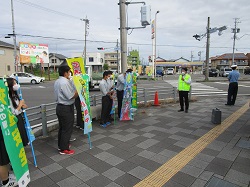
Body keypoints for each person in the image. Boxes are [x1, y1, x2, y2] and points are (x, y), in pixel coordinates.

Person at [54, 65, 78, 155]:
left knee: (62, 127)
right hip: (65, 107)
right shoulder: (64, 82)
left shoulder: (58, 81)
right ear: (65, 73)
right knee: (67, 128)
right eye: (69, 72)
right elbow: (70, 96)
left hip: (60, 107)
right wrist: (79, 91)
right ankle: (64, 149)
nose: (70, 74)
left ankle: (62, 145)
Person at [6, 78, 29, 146]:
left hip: (20, 117)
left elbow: (20, 107)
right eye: (14, 83)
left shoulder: (15, 95)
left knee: (23, 135)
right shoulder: (8, 98)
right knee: (18, 137)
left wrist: (23, 105)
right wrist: (20, 104)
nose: (16, 85)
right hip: (15, 119)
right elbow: (13, 112)